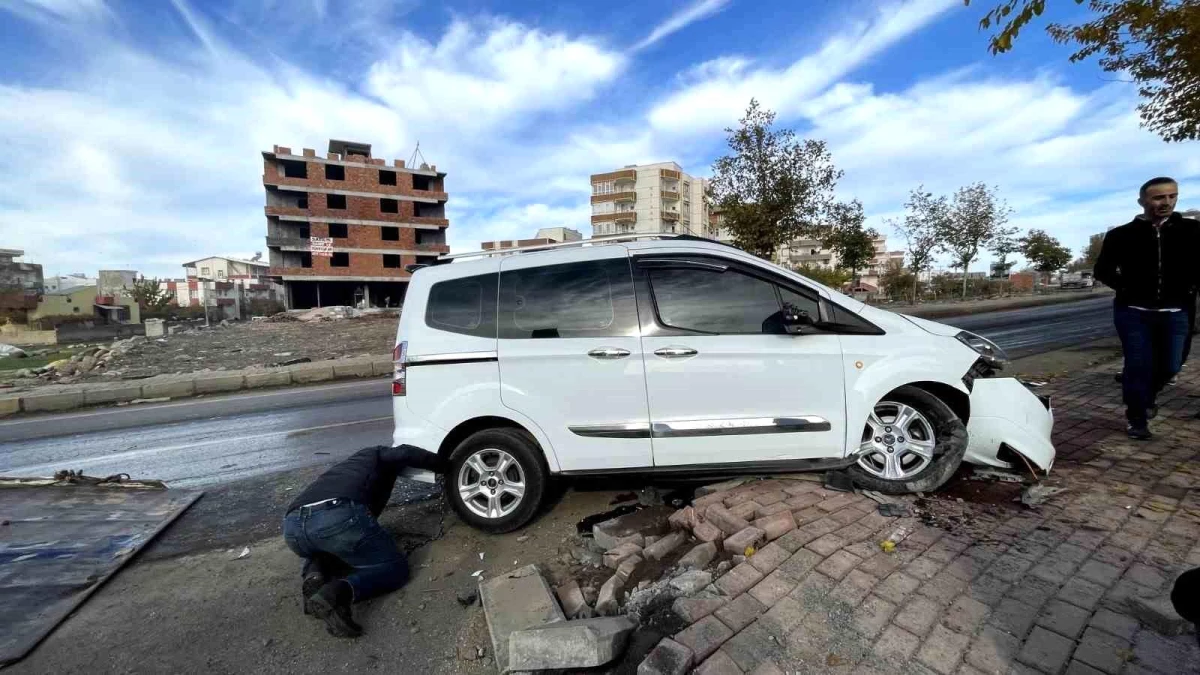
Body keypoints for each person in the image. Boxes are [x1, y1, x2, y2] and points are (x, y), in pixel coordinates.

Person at [282, 444, 442, 637]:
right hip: (335, 516)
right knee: (395, 569)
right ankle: (337, 593)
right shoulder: (375, 453)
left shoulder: (344, 470)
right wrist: (447, 465)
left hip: (292, 527)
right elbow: (406, 452)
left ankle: (315, 575)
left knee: (329, 545)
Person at [1094, 177, 1200, 440]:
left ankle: (1147, 396)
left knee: (1172, 365)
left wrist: (1191, 288)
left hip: (1177, 311)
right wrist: (1127, 288)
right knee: (1138, 365)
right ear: (1142, 201)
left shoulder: (1192, 231)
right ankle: (1137, 416)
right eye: (1158, 198)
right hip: (1133, 311)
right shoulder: (1120, 235)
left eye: (1171, 197)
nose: (1166, 202)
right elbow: (1103, 270)